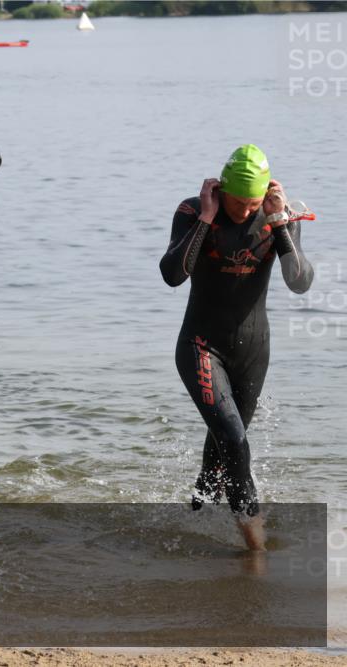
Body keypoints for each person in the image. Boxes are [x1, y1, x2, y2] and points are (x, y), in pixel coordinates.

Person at [159, 144, 313, 551]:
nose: (244, 211)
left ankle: (193, 522)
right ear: (221, 190)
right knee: (233, 439)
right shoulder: (194, 211)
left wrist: (279, 223)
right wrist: (208, 218)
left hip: (253, 351)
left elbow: (299, 282)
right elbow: (172, 274)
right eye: (236, 202)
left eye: (253, 204)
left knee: (220, 456)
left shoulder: (276, 215)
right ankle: (255, 547)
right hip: (200, 345)